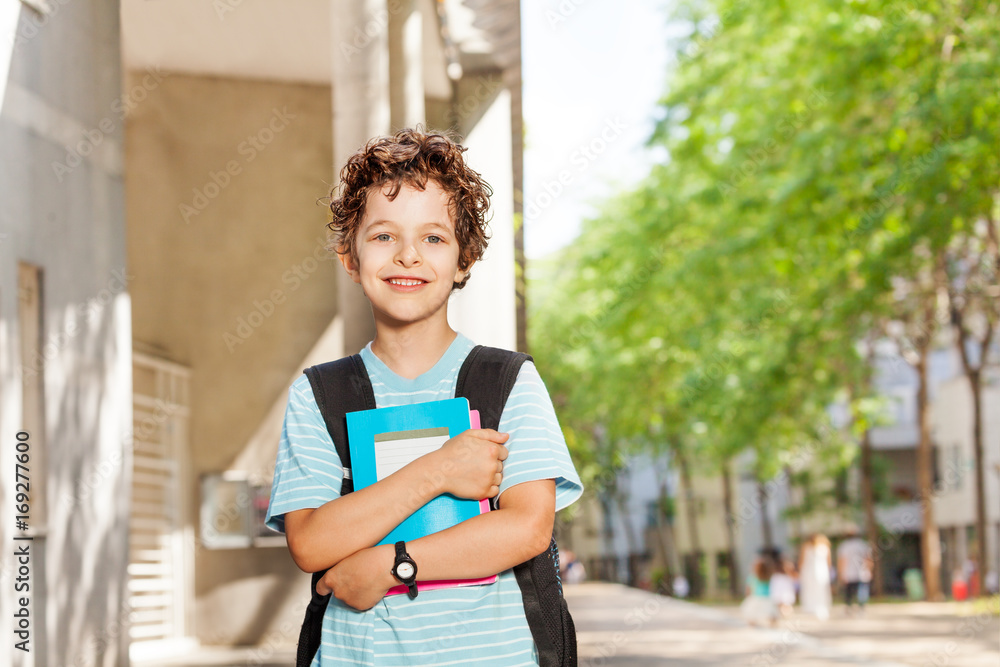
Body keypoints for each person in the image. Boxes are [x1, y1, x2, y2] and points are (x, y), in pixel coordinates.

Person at [265, 128, 583, 666]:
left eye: (433, 238)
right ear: (349, 255)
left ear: (464, 260)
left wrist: (393, 565)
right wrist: (438, 470)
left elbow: (528, 527)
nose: (407, 256)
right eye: (383, 236)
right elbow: (312, 543)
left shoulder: (507, 381)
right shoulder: (320, 395)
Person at [836, 525, 873, 615]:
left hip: (849, 573)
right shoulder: (863, 545)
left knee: (849, 592)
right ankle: (861, 608)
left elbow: (842, 561)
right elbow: (868, 559)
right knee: (862, 592)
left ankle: (849, 608)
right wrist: (869, 570)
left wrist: (841, 573)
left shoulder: (844, 546)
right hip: (862, 572)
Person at [798, 533, 832, 620]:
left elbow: (801, 562)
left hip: (809, 572)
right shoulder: (824, 547)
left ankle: (811, 608)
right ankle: (820, 608)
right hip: (821, 572)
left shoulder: (807, 547)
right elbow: (829, 563)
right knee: (821, 590)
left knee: (810, 590)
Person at [741, 553, 778, 627]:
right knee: (770, 611)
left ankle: (752, 622)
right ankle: (772, 622)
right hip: (767, 598)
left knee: (752, 612)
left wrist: (748, 596)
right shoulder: (770, 578)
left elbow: (749, 589)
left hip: (756, 597)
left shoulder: (753, 577)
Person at [768, 550, 797, 618]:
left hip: (784, 594)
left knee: (784, 605)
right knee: (781, 605)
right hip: (781, 594)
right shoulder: (777, 576)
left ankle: (784, 613)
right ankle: (781, 613)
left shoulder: (786, 576)